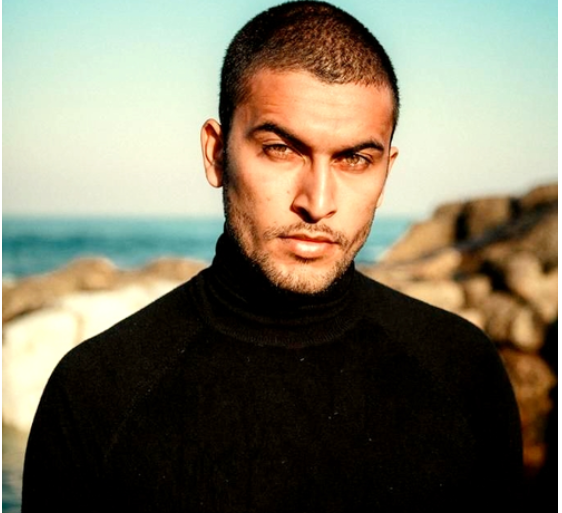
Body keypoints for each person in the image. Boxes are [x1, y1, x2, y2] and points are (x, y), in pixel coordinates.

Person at [22, 1, 523, 511]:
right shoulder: (98, 392)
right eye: (281, 149)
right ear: (217, 154)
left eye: (354, 159)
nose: (317, 202)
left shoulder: (462, 369)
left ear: (386, 170)